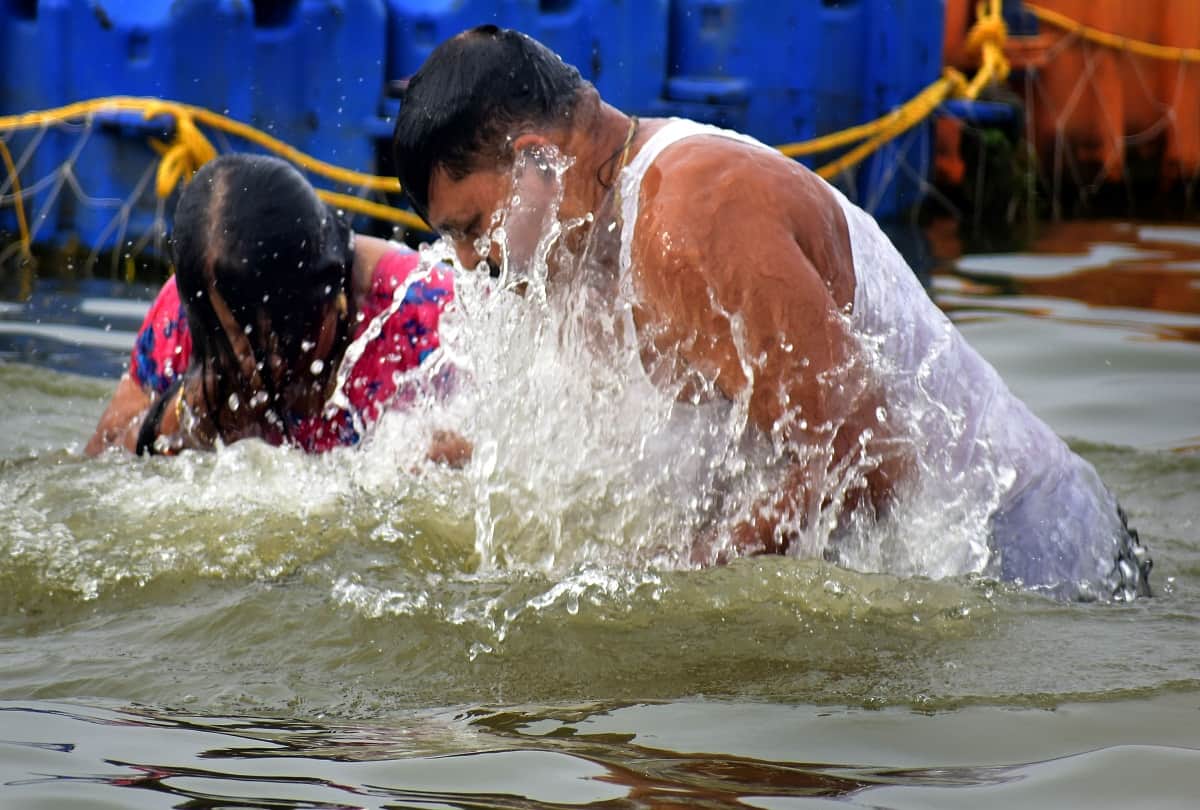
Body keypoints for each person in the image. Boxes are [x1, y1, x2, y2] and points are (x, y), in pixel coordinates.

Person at [391, 26, 1152, 600]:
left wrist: (673, 585)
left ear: (536, 161)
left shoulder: (687, 217)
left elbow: (867, 456)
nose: (468, 261)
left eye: (469, 226)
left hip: (1042, 571)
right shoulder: (585, 243)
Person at [87, 153, 467, 464]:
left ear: (329, 292)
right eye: (239, 338)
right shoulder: (190, 312)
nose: (262, 364)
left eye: (287, 337)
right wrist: (181, 415)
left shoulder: (428, 313)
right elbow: (97, 467)